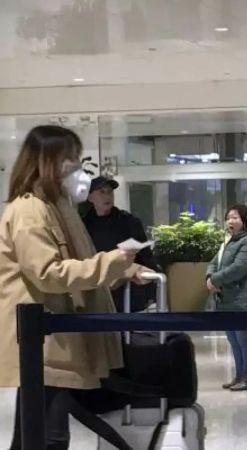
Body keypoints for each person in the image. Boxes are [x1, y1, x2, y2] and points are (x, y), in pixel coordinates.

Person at [0, 125, 151, 449]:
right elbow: (48, 272)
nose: (77, 169)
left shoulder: (56, 206)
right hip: (41, 340)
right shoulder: (30, 209)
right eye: (69, 160)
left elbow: (78, 261)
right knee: (47, 437)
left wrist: (124, 268)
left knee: (36, 434)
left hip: (53, 338)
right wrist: (112, 262)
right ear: (47, 162)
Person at [207, 204, 247, 392]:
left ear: (245, 220)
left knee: (244, 339)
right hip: (227, 300)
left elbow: (239, 268)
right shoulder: (229, 241)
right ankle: (239, 375)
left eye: (235, 218)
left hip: (243, 300)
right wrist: (209, 276)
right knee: (233, 341)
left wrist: (216, 279)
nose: (230, 221)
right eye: (228, 218)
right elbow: (214, 262)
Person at [82, 176, 160, 313]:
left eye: (110, 192)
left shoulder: (128, 221)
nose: (107, 196)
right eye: (102, 192)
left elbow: (146, 257)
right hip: (96, 290)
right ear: (90, 197)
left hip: (128, 291)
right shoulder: (84, 225)